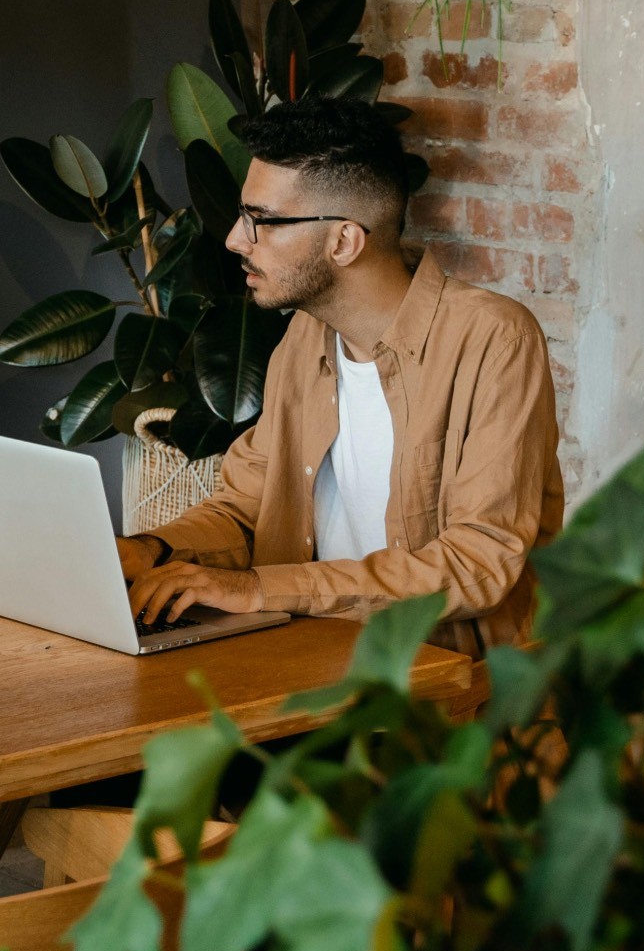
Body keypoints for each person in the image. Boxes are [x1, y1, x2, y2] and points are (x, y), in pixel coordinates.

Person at [118, 96, 565, 660]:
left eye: (263, 221)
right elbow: (244, 508)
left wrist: (259, 588)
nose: (236, 239)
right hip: (306, 666)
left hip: (444, 700)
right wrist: (150, 549)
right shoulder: (305, 338)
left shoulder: (495, 340)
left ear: (344, 241)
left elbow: (478, 564)